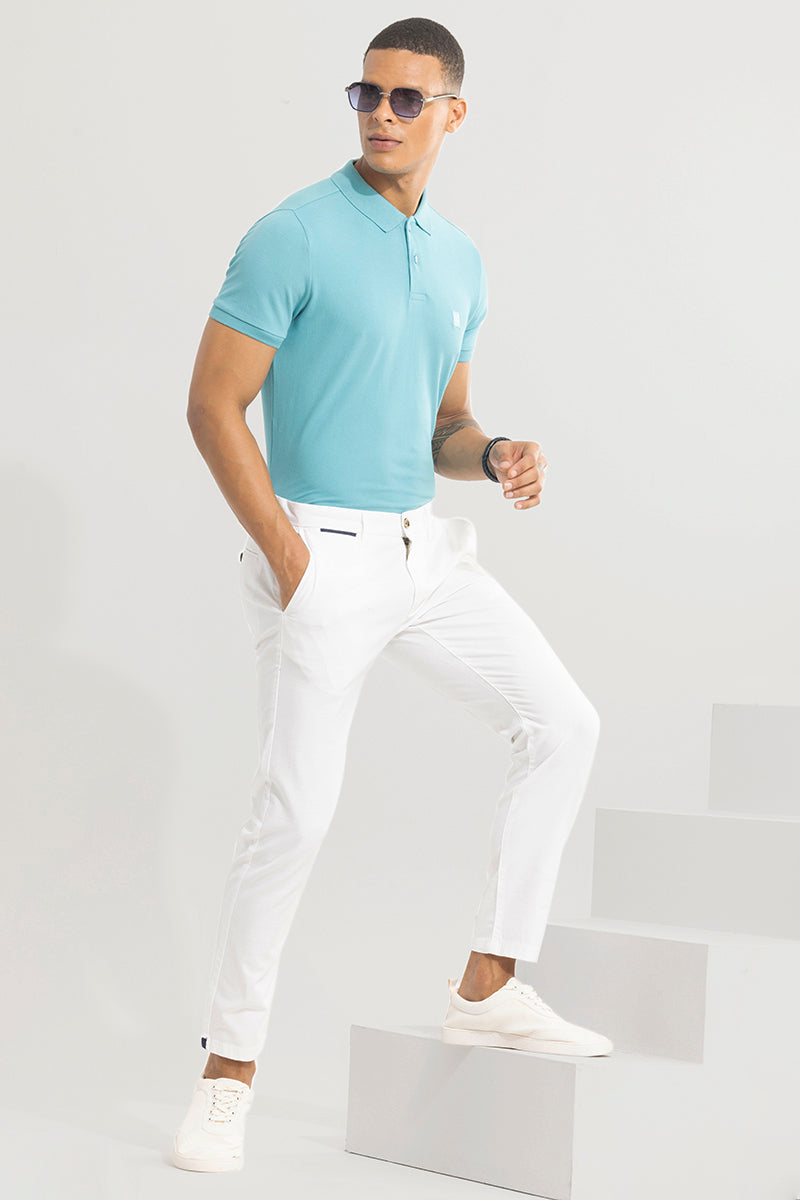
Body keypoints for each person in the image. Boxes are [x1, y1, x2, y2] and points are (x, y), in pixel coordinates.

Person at [172, 15, 612, 1175]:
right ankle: (226, 1075)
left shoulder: (459, 259)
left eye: (406, 99)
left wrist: (494, 450)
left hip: (423, 551)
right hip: (319, 550)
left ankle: (489, 984)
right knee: (297, 815)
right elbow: (212, 404)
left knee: (562, 724)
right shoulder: (293, 234)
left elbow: (441, 425)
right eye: (366, 94)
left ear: (451, 113)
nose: (380, 114)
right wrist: (290, 558)